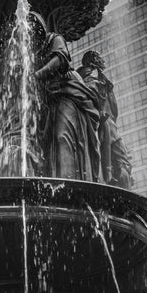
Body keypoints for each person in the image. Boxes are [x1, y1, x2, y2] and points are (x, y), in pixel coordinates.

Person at [32, 14, 101, 181]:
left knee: (63, 135)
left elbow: (59, 59)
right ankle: (53, 183)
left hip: (68, 90)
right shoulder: (33, 52)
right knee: (47, 144)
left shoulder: (54, 39)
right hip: (51, 97)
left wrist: (37, 75)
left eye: (32, 30)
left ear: (39, 28)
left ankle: (68, 184)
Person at [78, 50, 133, 188]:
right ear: (93, 61)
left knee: (122, 161)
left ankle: (117, 184)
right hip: (103, 123)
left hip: (110, 123)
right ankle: (112, 180)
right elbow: (87, 95)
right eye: (98, 58)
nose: (102, 61)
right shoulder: (89, 78)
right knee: (122, 160)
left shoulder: (100, 80)